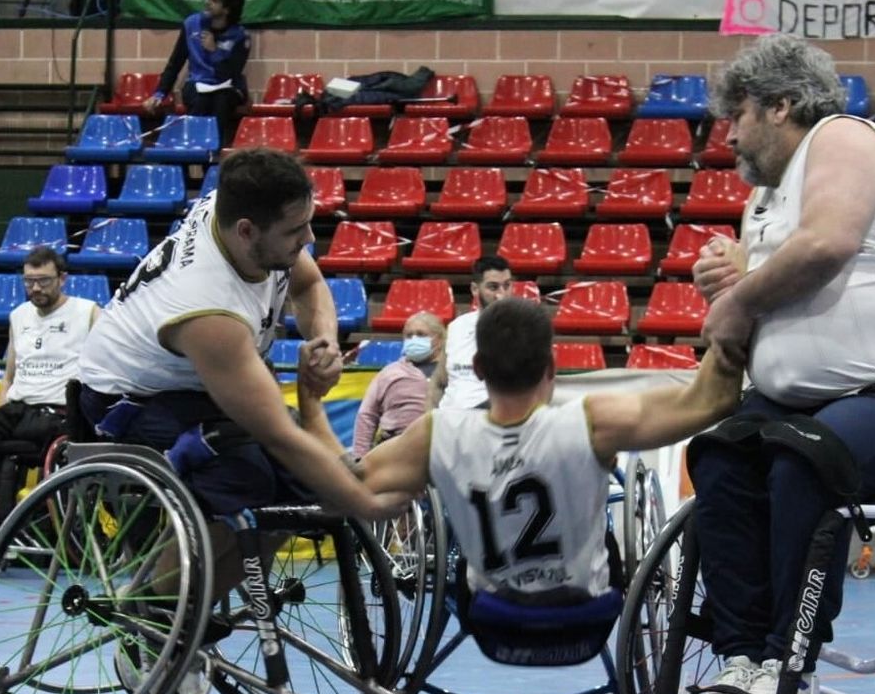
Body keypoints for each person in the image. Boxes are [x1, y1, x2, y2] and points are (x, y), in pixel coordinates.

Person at [685, 34, 875, 694]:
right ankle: (741, 660)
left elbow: (828, 244)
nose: (728, 135)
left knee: (804, 458)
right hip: (805, 406)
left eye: (738, 115)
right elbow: (775, 296)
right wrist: (736, 285)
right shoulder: (765, 202)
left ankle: (787, 664)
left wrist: (738, 298)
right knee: (720, 455)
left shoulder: (845, 137)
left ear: (780, 105)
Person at [76, 147, 408, 599]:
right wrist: (363, 503)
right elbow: (279, 436)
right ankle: (155, 609)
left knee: (300, 488)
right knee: (246, 477)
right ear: (247, 231)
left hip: (196, 382)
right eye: (295, 230)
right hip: (130, 396)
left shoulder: (241, 212)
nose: (309, 237)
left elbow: (309, 285)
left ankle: (194, 601)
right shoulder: (207, 309)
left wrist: (325, 340)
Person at [300, 296, 744, 606]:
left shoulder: (439, 434)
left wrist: (311, 404)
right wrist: (731, 304)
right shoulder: (591, 422)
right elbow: (711, 402)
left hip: (493, 621)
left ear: (478, 370)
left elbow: (347, 482)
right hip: (583, 619)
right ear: (551, 367)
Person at [0, 246, 98, 542]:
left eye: (43, 281)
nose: (36, 288)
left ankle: (43, 522)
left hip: (58, 411)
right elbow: (8, 376)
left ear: (62, 279)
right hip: (19, 408)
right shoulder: (18, 316)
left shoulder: (88, 312)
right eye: (29, 281)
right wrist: (1, 407)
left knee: (35, 431)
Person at [144, 0, 250, 149]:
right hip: (197, 84)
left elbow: (232, 72)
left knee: (221, 101)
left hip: (227, 86)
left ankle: (214, 155)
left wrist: (214, 51)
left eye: (214, 0)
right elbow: (175, 63)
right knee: (200, 101)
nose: (207, 3)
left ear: (227, 9)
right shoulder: (192, 24)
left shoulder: (240, 35)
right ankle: (194, 153)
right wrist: (159, 93)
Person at [352, 312, 443, 458]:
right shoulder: (389, 373)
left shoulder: (451, 372)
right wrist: (359, 457)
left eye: (421, 334)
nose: (414, 339)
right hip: (394, 449)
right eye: (409, 335)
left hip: (440, 449)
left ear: (439, 339)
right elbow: (367, 415)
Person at [429, 256, 513, 411]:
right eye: (493, 287)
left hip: (488, 419)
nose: (501, 295)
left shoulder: (523, 330)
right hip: (447, 417)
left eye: (507, 286)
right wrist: (429, 417)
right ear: (475, 289)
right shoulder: (456, 327)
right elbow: (439, 381)